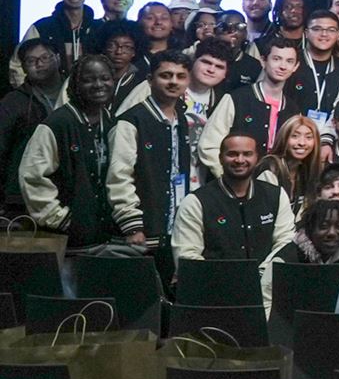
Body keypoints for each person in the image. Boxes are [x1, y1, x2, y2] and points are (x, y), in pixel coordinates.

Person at [19, 54, 144, 248]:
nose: (98, 84)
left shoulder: (112, 122)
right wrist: (61, 219)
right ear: (75, 84)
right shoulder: (57, 124)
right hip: (65, 238)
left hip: (105, 235)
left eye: (105, 78)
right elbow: (32, 177)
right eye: (88, 80)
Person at [104, 49, 198, 259]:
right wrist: (131, 225)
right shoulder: (130, 121)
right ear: (150, 79)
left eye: (180, 76)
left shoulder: (181, 119)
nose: (173, 82)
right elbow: (119, 177)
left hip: (172, 229)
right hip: (138, 233)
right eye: (165, 75)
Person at [171, 131, 296, 272]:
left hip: (265, 286)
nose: (240, 160)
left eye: (247, 154)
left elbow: (285, 243)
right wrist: (231, 282)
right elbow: (187, 256)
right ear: (220, 158)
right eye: (232, 154)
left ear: (257, 158)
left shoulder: (276, 195)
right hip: (214, 288)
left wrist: (261, 277)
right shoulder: (195, 202)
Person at [197, 38, 300, 177]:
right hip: (233, 185)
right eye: (276, 59)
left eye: (289, 61)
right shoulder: (236, 99)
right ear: (263, 61)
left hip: (274, 187)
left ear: (296, 67)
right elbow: (208, 145)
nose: (282, 66)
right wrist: (228, 177)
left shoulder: (293, 110)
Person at [1, 39, 66, 214]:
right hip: (22, 197)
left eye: (45, 57)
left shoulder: (76, 94)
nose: (39, 63)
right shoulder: (13, 101)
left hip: (68, 193)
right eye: (31, 61)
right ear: (23, 68)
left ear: (58, 58)